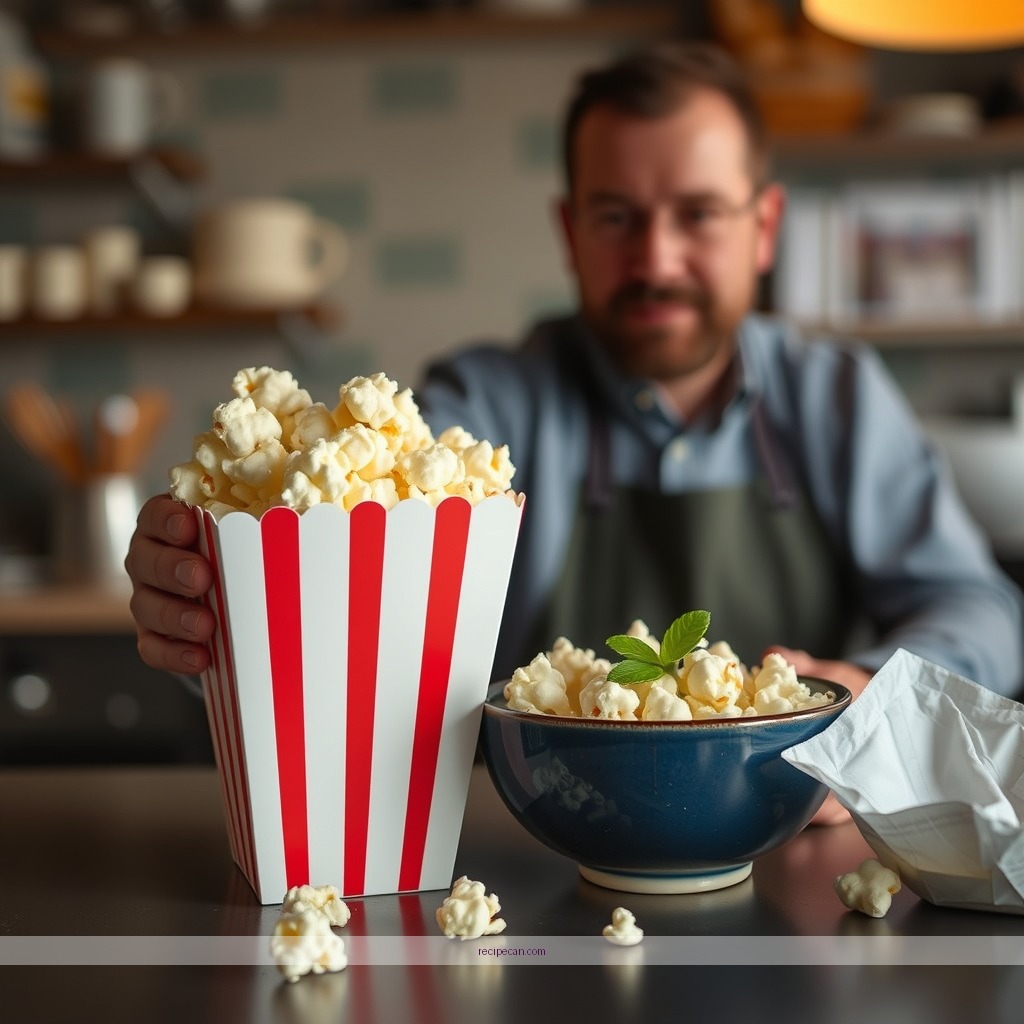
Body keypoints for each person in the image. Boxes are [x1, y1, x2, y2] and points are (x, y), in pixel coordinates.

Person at [126, 42, 1024, 821]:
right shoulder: (486, 403)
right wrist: (223, 590)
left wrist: (870, 695)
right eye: (617, 217)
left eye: (699, 214)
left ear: (765, 228)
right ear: (569, 230)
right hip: (519, 868)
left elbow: (983, 611)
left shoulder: (838, 399)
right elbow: (356, 562)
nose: (657, 260)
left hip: (790, 853)